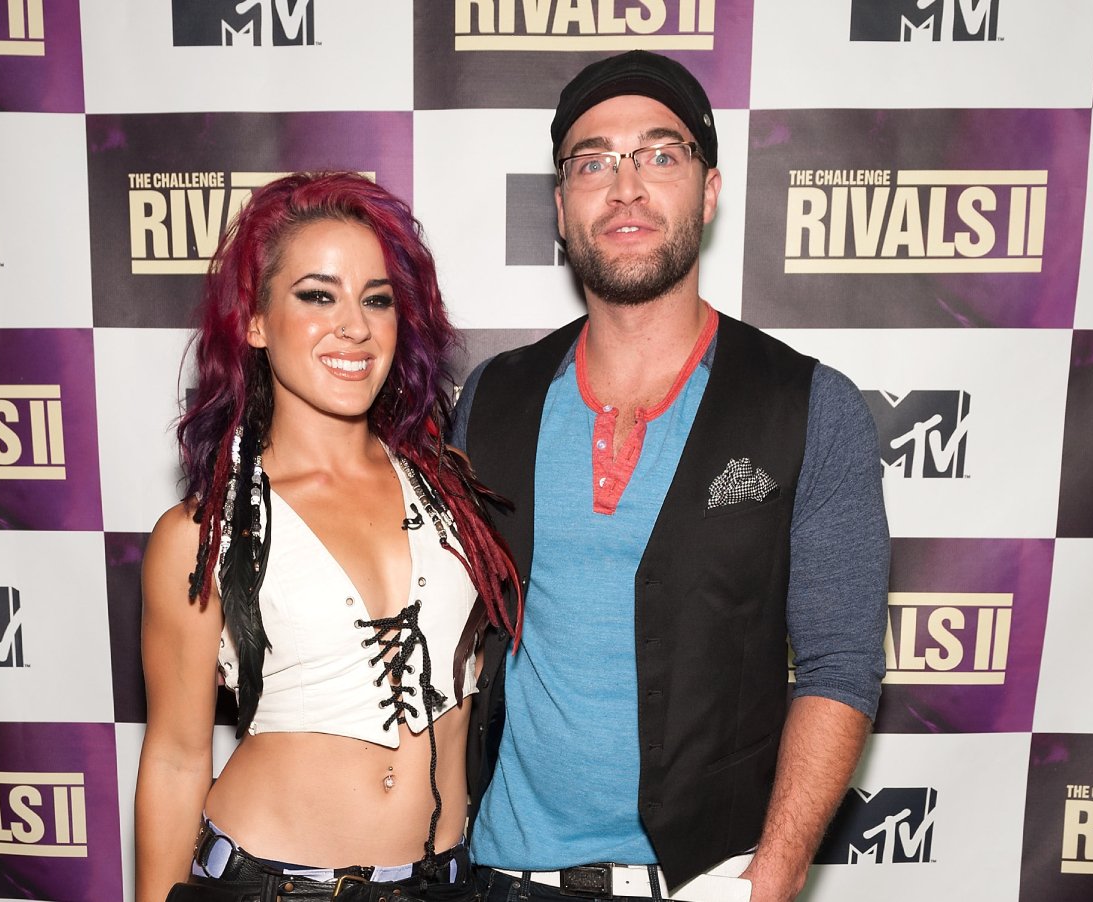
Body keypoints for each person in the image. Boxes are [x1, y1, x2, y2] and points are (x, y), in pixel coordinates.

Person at [452, 52, 890, 902]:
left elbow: (839, 665)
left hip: (703, 877)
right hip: (498, 873)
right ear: (561, 206)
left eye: (660, 155)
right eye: (593, 163)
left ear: (709, 191)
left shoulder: (809, 405)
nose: (626, 188)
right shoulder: (491, 397)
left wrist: (774, 876)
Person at [134, 172, 520, 902]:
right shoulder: (203, 533)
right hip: (272, 886)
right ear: (255, 322)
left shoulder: (449, 492)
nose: (355, 326)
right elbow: (177, 760)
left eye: (376, 299)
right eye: (317, 296)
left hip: (444, 881)